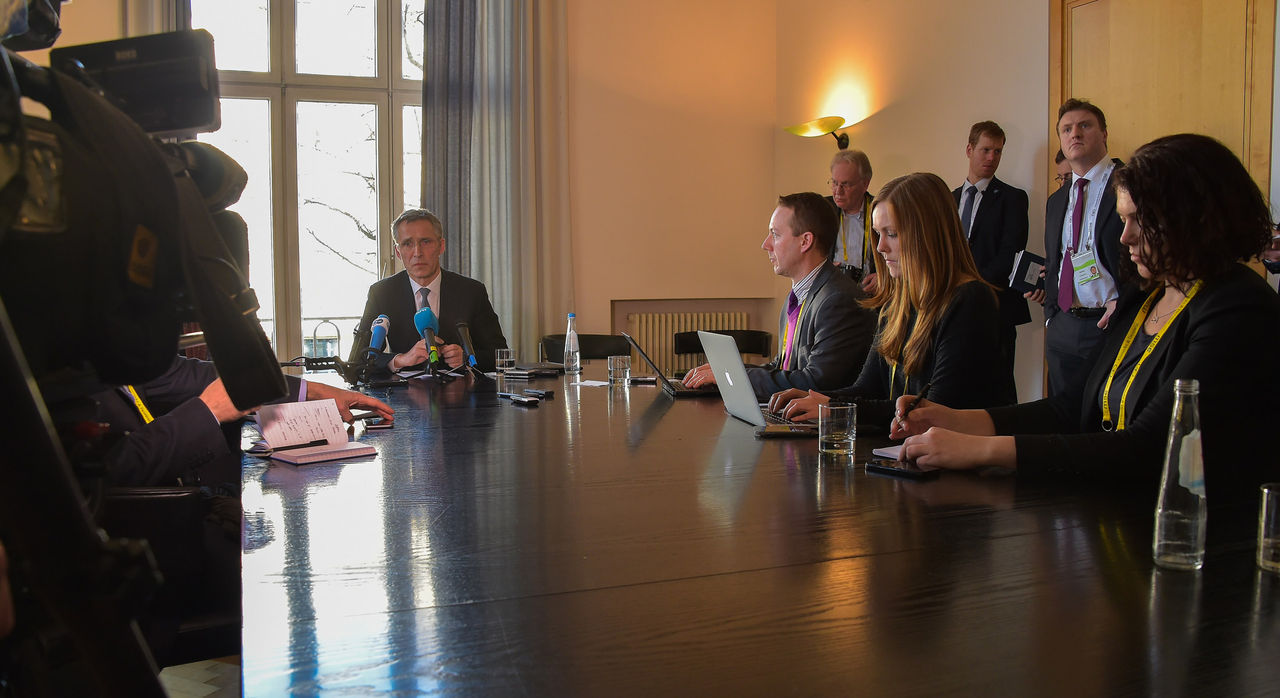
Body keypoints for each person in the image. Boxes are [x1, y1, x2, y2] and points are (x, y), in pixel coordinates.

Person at [892, 134, 1280, 504]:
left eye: (1138, 221)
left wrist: (980, 450)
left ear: (1193, 219)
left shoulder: (1238, 307)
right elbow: (1071, 407)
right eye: (1123, 219)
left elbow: (1147, 447)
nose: (1125, 237)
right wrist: (956, 420)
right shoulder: (1146, 296)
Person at [768, 173, 1015, 425]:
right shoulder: (897, 303)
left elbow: (932, 411)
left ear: (927, 234)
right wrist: (818, 400)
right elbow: (868, 388)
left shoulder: (970, 300)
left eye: (892, 234)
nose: (880, 247)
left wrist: (832, 408)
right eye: (878, 234)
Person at [683, 192, 876, 399]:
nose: (766, 244)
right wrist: (726, 371)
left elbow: (815, 384)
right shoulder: (799, 294)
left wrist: (734, 376)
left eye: (775, 235)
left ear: (805, 241)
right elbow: (783, 367)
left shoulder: (838, 300)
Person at [98, 355, 394, 486]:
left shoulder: (110, 356)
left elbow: (196, 375)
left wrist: (314, 391)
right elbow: (109, 471)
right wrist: (209, 410)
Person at [1040, 99, 1125, 399]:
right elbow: (1054, 261)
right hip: (1063, 325)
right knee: (1061, 416)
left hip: (1111, 324)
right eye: (1066, 129)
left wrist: (1126, 304)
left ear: (1104, 134)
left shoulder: (1130, 184)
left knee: (1107, 415)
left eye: (1084, 126)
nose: (1074, 133)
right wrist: (1051, 316)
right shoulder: (1057, 200)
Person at [353, 209, 508, 374]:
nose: (417, 253)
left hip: (461, 387)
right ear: (398, 252)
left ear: (441, 246)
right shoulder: (382, 293)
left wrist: (467, 358)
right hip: (403, 389)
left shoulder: (471, 291)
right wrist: (401, 359)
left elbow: (501, 356)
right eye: (407, 244)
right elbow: (359, 359)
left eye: (425, 242)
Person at [952, 121, 1030, 391]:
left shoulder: (1013, 198)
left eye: (998, 151)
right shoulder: (949, 199)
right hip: (952, 308)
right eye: (985, 150)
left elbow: (1010, 253)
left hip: (995, 307)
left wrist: (971, 288)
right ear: (969, 150)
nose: (991, 157)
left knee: (998, 387)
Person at [825, 149, 879, 295]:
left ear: (865, 184)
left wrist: (885, 278)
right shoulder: (822, 210)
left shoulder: (881, 211)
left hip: (872, 295)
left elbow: (903, 257)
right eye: (834, 183)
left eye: (846, 184)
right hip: (831, 294)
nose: (838, 191)